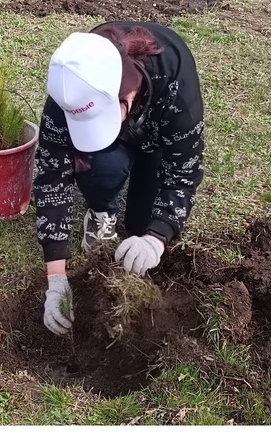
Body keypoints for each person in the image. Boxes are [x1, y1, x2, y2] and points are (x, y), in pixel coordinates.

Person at [34, 22, 204, 336]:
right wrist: (55, 277)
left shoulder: (175, 80)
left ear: (126, 97)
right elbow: (52, 177)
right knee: (99, 167)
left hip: (156, 135)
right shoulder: (71, 84)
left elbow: (183, 171)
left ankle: (142, 217)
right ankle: (101, 213)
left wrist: (155, 238)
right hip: (114, 142)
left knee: (143, 225)